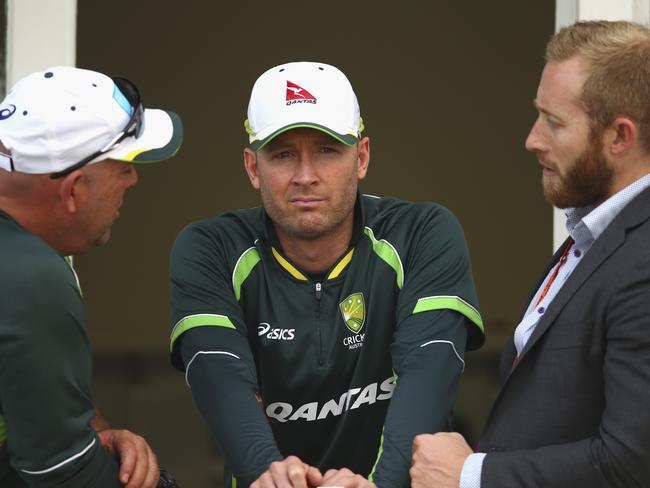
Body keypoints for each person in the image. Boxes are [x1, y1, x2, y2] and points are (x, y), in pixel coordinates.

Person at [169, 61, 484, 488]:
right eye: (282, 154)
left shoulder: (422, 233)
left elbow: (430, 366)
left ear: (363, 157)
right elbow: (217, 374)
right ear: (251, 167)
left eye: (327, 150)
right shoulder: (211, 248)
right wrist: (269, 473)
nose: (305, 176)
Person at [410, 20, 650, 488]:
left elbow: (631, 463)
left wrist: (471, 475)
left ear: (619, 137)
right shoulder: (594, 234)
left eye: (554, 122)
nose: (532, 138)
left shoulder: (643, 258)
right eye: (538, 114)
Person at [0, 66, 183, 487]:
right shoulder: (30, 277)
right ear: (74, 190)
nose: (134, 178)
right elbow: (60, 474)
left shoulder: (28, 245)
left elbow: (35, 401)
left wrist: (96, 432)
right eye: (123, 167)